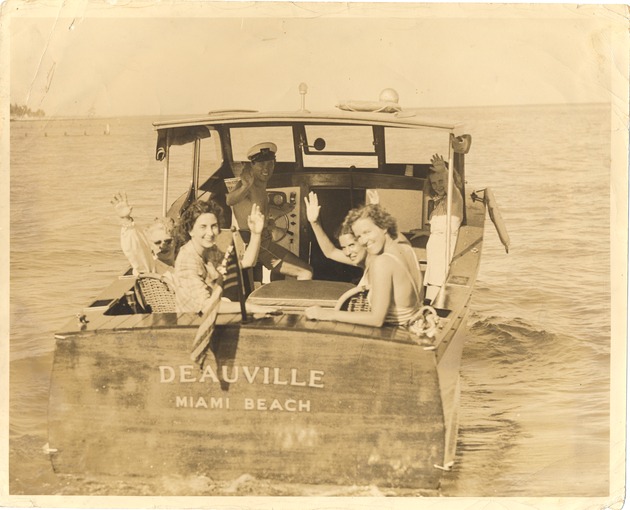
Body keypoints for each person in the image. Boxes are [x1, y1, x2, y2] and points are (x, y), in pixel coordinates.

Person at [304, 204, 423, 327]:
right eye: (359, 236)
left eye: (367, 232)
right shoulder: (406, 249)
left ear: (383, 227)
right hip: (415, 327)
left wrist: (326, 314)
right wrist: (314, 222)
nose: (364, 241)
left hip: (395, 333)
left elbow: (376, 319)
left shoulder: (382, 262)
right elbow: (331, 252)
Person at [172, 198, 275, 316]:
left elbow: (246, 263)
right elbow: (206, 306)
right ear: (190, 230)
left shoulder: (210, 250)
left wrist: (256, 233)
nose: (210, 233)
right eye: (203, 227)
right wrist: (249, 307)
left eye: (214, 226)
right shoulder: (187, 259)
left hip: (211, 318)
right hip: (192, 325)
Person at [226, 142, 313, 280]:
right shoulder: (248, 183)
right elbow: (230, 200)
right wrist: (244, 187)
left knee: (300, 271)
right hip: (257, 243)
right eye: (261, 164)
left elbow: (260, 210)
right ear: (252, 165)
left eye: (270, 164)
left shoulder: (260, 184)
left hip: (264, 240)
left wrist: (282, 211)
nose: (266, 169)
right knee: (306, 272)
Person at [422, 154, 464, 302]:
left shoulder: (455, 198)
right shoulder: (440, 203)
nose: (438, 186)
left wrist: (444, 171)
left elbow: (450, 187)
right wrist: (426, 232)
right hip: (435, 256)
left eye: (441, 181)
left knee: (436, 298)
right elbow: (442, 227)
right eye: (434, 183)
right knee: (430, 298)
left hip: (444, 255)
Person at [111, 191, 175, 275]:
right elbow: (135, 249)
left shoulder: (185, 261)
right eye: (157, 242)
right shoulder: (149, 267)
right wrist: (126, 220)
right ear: (150, 245)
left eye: (168, 241)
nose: (163, 245)